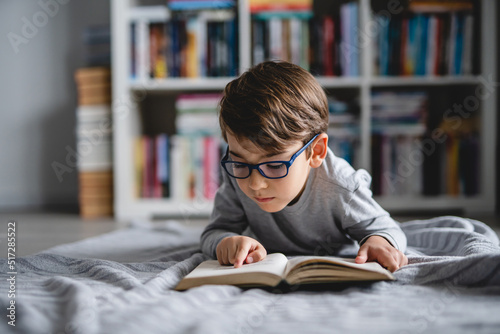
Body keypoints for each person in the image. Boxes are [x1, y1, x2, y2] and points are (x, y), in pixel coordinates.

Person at [200, 60, 408, 272]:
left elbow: (388, 229)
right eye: (239, 163)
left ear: (316, 151)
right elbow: (215, 232)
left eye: (274, 165)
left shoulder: (342, 187)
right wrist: (225, 242)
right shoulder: (238, 177)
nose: (255, 183)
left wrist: (379, 242)